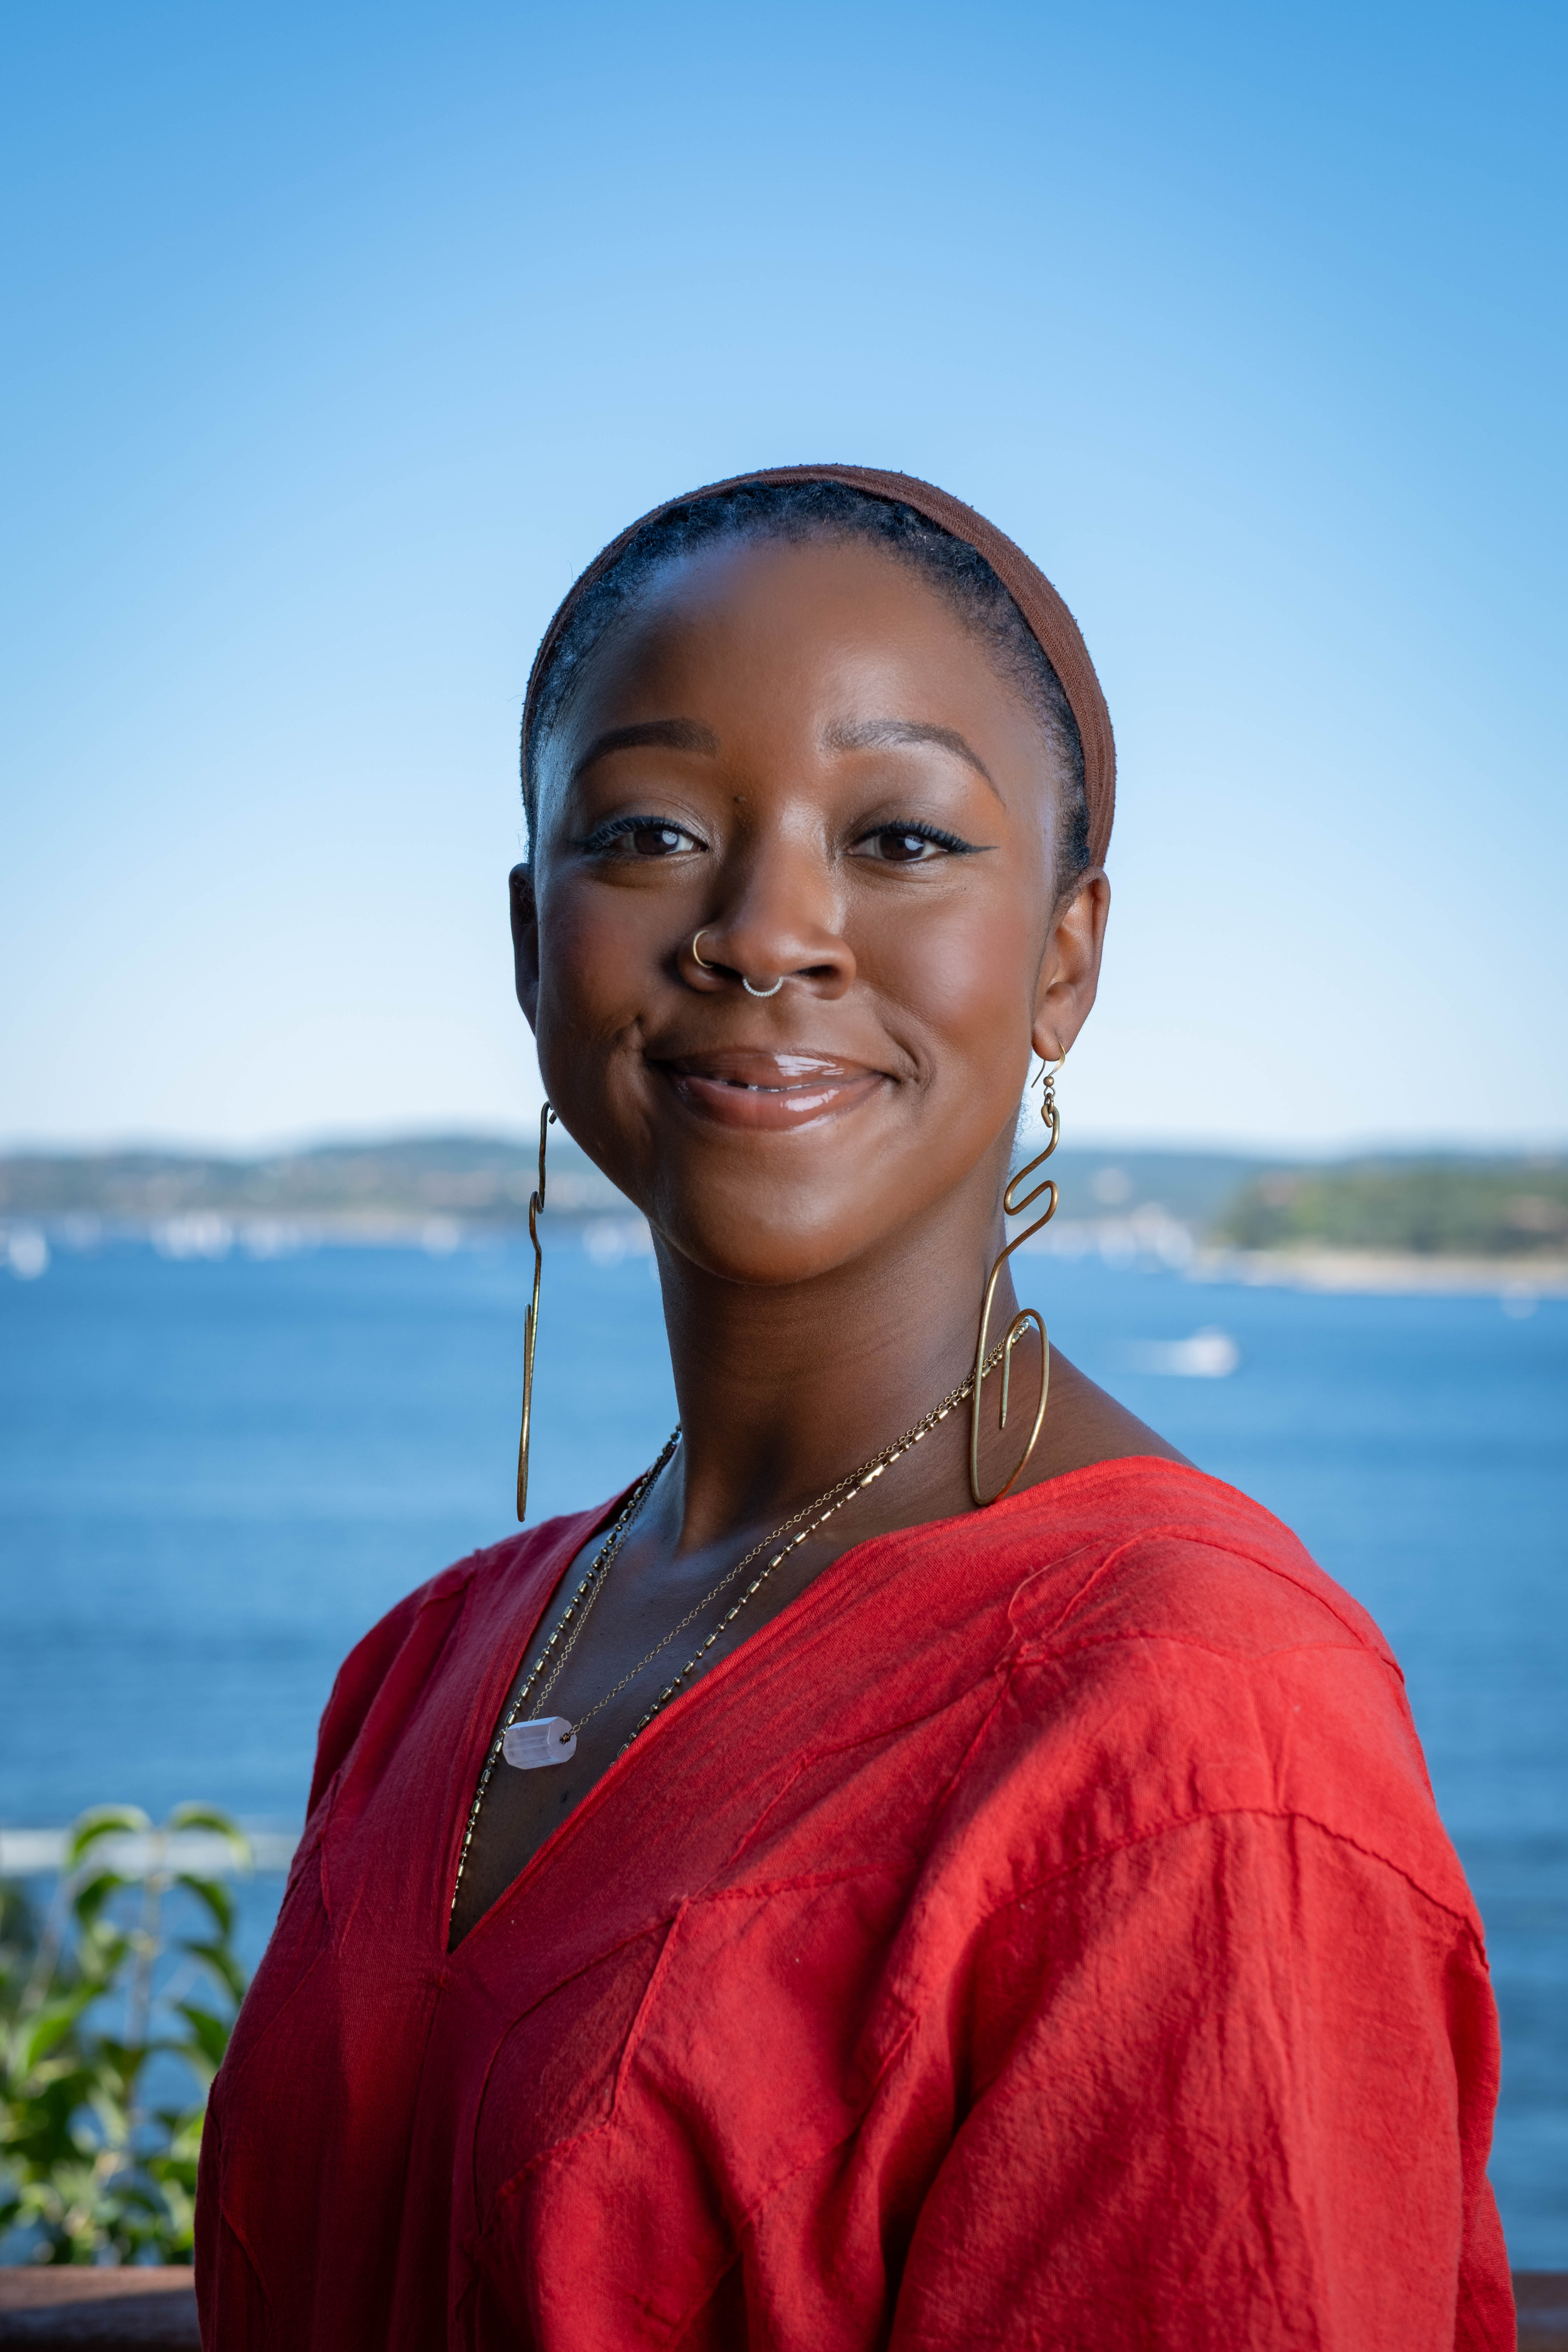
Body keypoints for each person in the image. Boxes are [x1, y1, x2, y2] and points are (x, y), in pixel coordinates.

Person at [196, 467, 1513, 2349]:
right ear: (527, 939)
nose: (763, 927)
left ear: (1064, 952)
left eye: (898, 842)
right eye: (647, 830)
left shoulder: (1195, 1742)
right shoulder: (428, 1668)